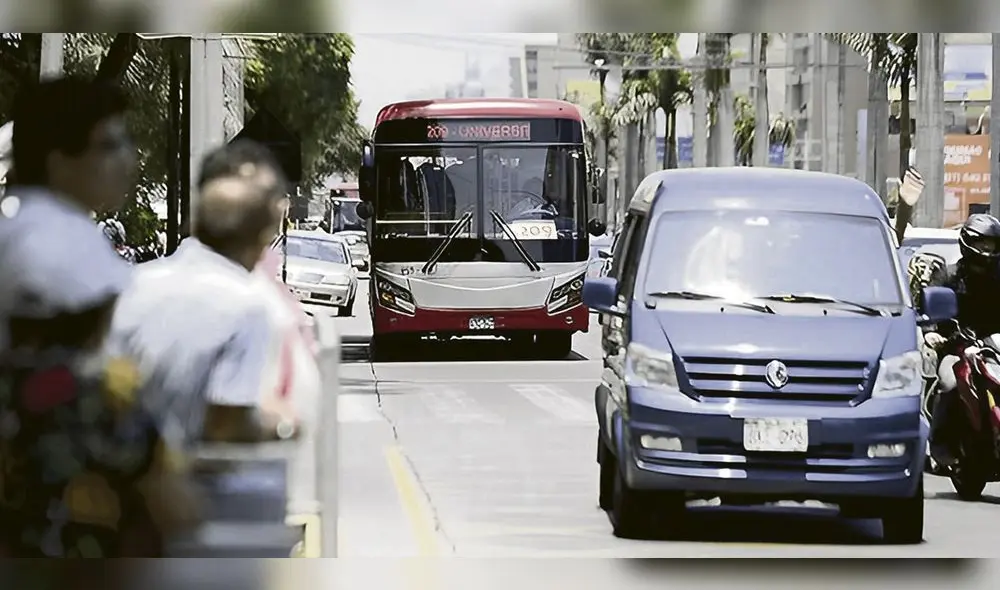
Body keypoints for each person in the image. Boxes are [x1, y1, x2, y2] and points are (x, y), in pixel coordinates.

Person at [108, 140, 300, 448]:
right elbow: (226, 423)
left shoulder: (137, 282)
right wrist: (283, 424)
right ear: (261, 239)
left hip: (121, 466)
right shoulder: (249, 304)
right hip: (196, 479)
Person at [0, 76, 137, 348]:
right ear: (59, 161)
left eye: (126, 142)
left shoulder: (28, 226)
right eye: (108, 145)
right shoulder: (55, 246)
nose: (128, 158)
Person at [925, 213, 1000, 469]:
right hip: (957, 347)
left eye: (992, 245)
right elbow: (929, 310)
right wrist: (933, 332)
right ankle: (940, 443)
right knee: (949, 382)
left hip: (995, 349)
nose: (987, 251)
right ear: (968, 243)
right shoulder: (949, 276)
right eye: (982, 244)